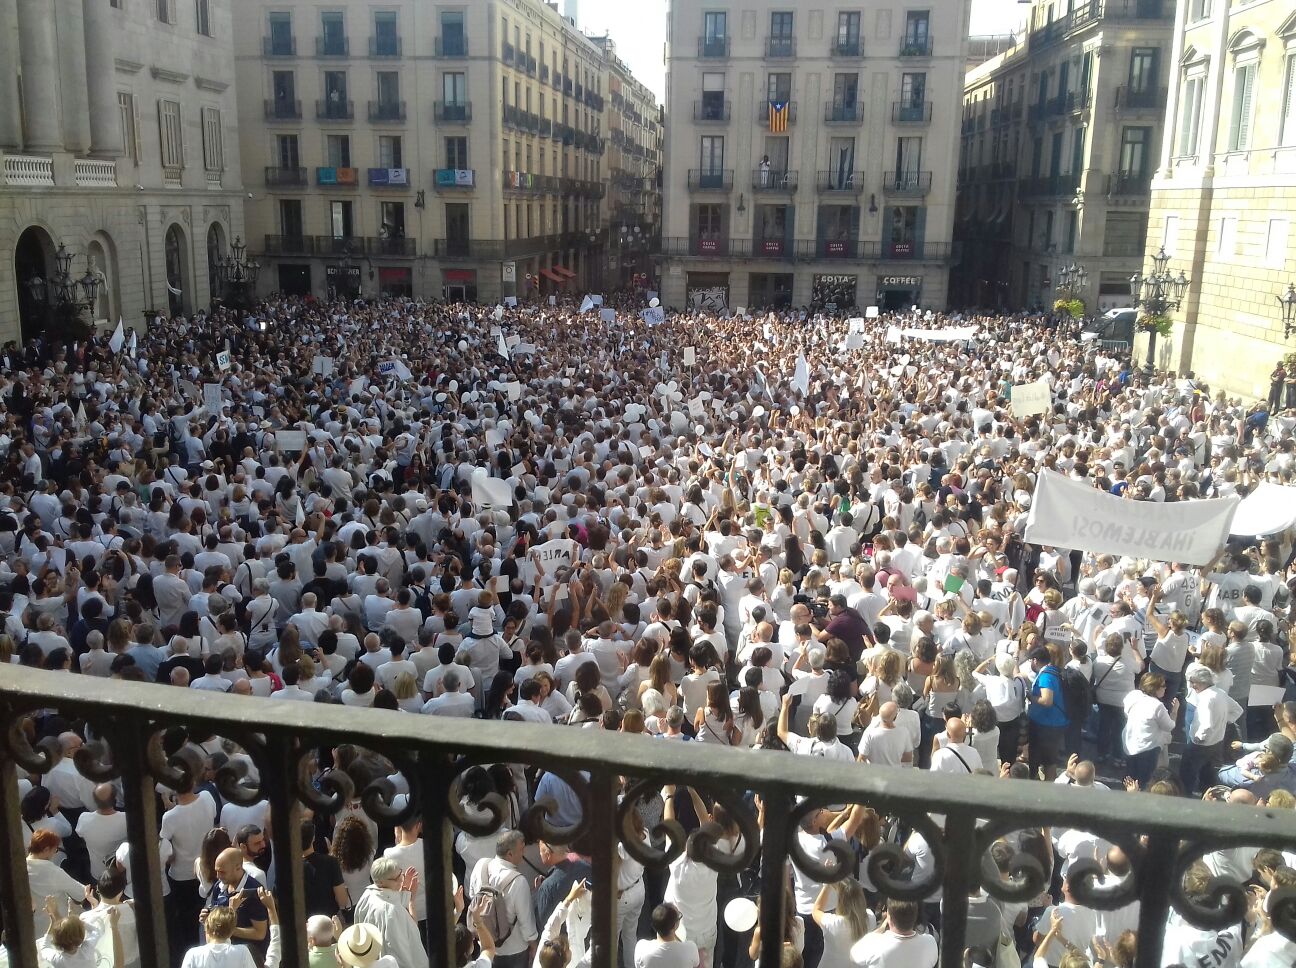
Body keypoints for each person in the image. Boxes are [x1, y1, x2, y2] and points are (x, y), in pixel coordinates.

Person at [351, 858, 426, 968]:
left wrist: (406, 895)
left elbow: (391, 899)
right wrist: (411, 901)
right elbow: (400, 954)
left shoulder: (367, 894)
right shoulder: (392, 912)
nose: (401, 880)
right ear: (381, 882)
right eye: (396, 879)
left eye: (401, 874)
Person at [848, 899, 935, 968]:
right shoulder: (930, 942)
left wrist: (880, 929)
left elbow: (853, 956)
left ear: (888, 917)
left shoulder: (873, 943)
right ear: (915, 916)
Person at [1026, 646, 1068, 780]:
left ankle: (1045, 785)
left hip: (1046, 724)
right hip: (1054, 723)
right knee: (1050, 759)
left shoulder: (1046, 676)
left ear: (1035, 660)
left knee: (1047, 760)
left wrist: (1031, 697)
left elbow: (1047, 700)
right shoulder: (1054, 671)